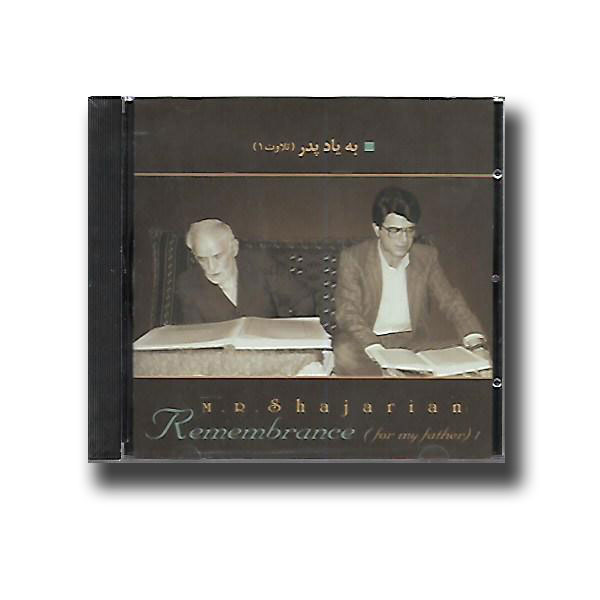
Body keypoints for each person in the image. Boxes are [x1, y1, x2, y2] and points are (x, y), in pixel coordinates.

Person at [334, 187, 487, 375]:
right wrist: (380, 355)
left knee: (464, 355)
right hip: (367, 341)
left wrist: (475, 342)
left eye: (409, 230)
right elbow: (347, 312)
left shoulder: (426, 257)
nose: (404, 239)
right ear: (377, 229)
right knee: (344, 352)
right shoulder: (354, 258)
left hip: (412, 343)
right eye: (395, 230)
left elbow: (451, 301)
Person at [176, 219, 315, 324]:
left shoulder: (261, 265)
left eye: (217, 256)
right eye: (202, 259)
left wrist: (293, 335)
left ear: (234, 248)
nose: (211, 267)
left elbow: (303, 299)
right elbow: (195, 336)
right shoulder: (188, 284)